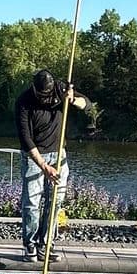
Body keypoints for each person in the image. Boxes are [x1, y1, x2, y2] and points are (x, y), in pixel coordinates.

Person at [14, 69, 89, 260]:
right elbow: (25, 139)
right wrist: (43, 166)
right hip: (34, 157)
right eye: (42, 95)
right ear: (35, 89)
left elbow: (86, 105)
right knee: (31, 202)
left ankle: (45, 244)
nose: (46, 98)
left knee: (55, 201)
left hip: (58, 155)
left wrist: (71, 100)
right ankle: (30, 244)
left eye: (48, 94)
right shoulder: (24, 101)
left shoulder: (62, 89)